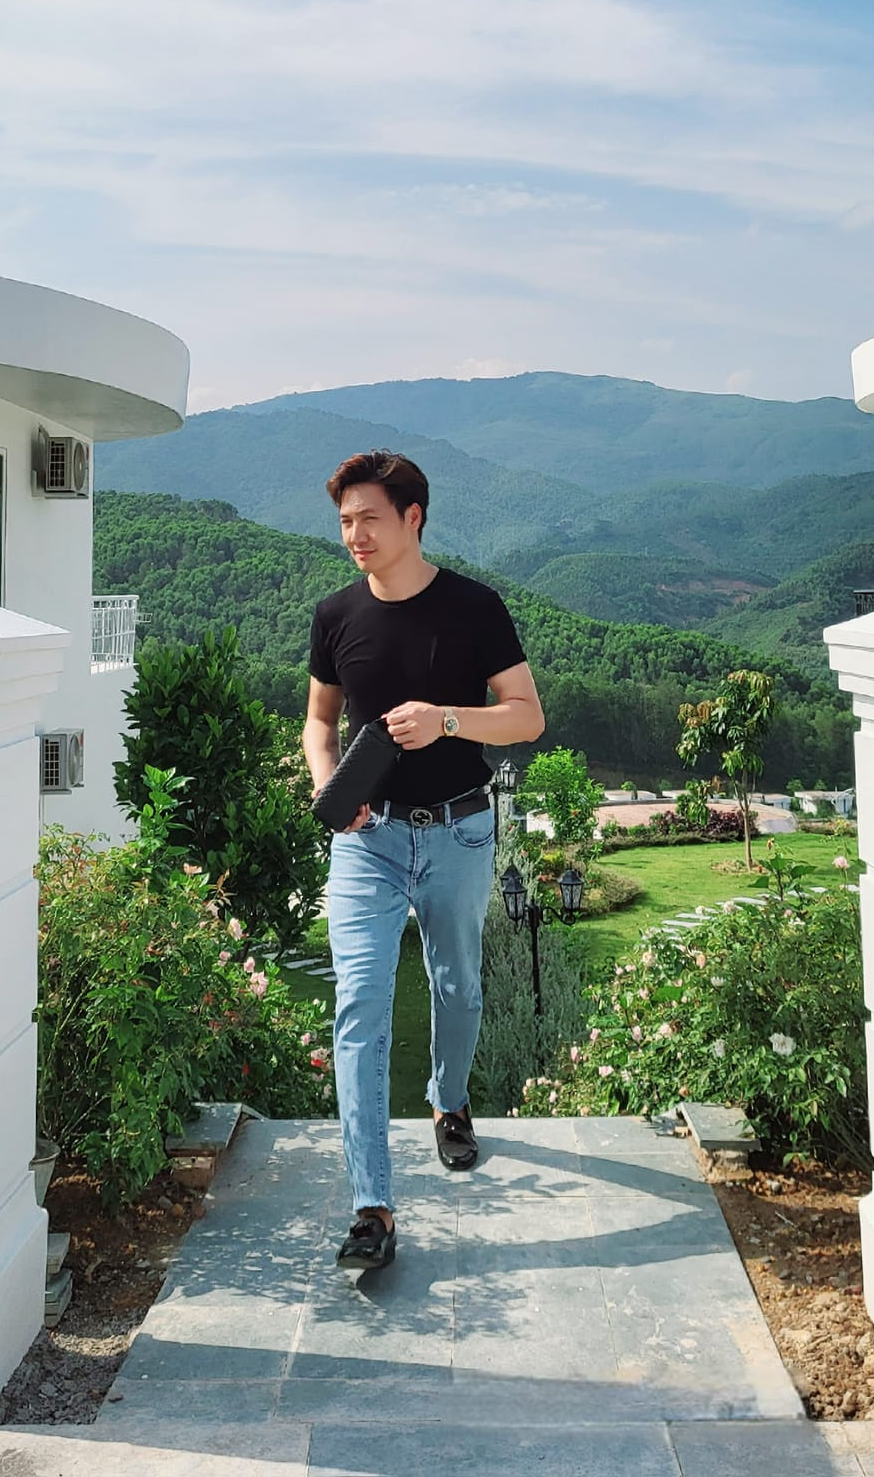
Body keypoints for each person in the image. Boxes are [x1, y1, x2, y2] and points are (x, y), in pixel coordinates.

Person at [303, 448, 545, 1272]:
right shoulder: (336, 615)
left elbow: (526, 717)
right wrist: (329, 786)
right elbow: (319, 723)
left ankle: (450, 1102)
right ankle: (372, 1206)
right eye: (345, 521)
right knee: (360, 1004)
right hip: (365, 843)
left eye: (369, 518)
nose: (354, 535)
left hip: (460, 832)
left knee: (457, 985)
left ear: (413, 518)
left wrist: (447, 719)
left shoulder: (475, 608)